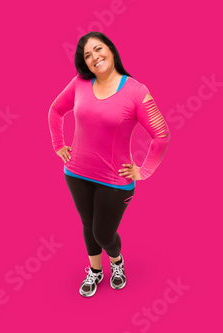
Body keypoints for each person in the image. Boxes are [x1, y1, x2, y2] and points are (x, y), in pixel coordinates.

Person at [48, 31, 171, 297]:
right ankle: (95, 270)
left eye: (98, 49)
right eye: (87, 55)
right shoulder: (79, 83)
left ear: (111, 50)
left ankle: (116, 262)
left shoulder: (137, 91)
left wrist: (145, 170)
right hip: (76, 173)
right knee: (87, 224)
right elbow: (56, 110)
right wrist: (59, 145)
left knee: (103, 233)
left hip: (114, 180)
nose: (94, 57)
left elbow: (161, 134)